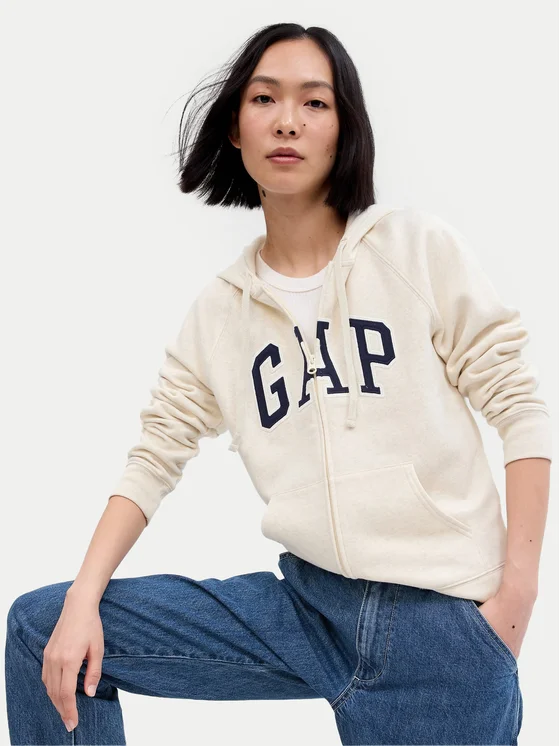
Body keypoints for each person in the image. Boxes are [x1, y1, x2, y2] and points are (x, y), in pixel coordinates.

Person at [5, 22, 552, 746]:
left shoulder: (413, 249)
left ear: (343, 129)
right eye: (265, 98)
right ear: (236, 127)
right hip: (304, 611)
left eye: (314, 102)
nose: (288, 120)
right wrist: (84, 596)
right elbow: (154, 457)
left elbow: (520, 406)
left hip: (440, 626)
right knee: (42, 627)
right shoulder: (221, 313)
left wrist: (517, 597)